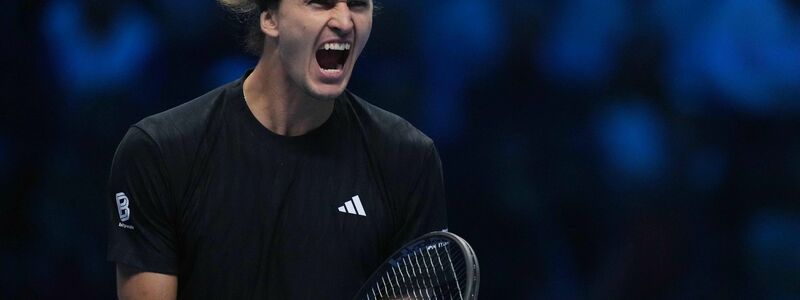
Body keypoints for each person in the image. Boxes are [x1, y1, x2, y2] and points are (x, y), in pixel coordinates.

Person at [106, 0, 448, 298]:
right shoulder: (159, 152)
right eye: (320, 2)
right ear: (270, 17)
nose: (345, 22)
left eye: (358, 4)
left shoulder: (407, 160)